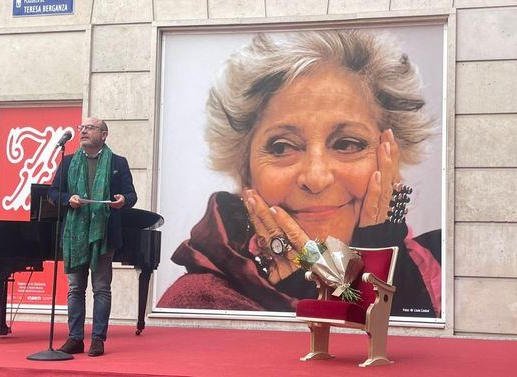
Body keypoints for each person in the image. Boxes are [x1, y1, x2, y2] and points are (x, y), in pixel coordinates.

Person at [158, 30, 441, 318]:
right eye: (281, 148)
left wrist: (379, 253)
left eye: (347, 144)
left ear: (393, 154)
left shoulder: (444, 265)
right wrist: (302, 298)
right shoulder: (201, 299)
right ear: (244, 170)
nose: (316, 179)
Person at [48, 117, 137, 357]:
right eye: (82, 128)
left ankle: (98, 338)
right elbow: (52, 193)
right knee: (75, 288)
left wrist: (123, 200)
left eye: (89, 128)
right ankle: (75, 338)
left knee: (101, 288)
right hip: (75, 234)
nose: (83, 131)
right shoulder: (67, 162)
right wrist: (69, 199)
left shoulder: (118, 163)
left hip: (103, 234)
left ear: (104, 135)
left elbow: (131, 195)